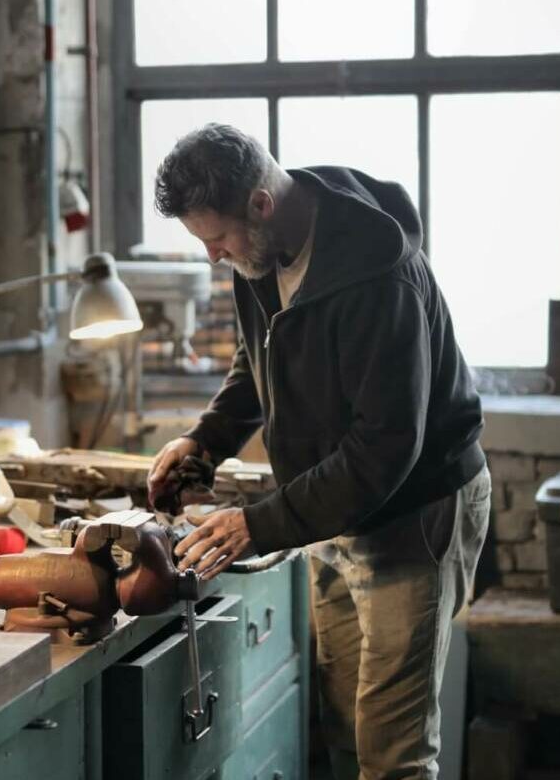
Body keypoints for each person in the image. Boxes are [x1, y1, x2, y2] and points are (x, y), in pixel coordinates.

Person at [146, 123, 490, 780]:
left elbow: (386, 445)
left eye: (215, 238)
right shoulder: (261, 252)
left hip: (412, 509)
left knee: (393, 755)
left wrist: (259, 523)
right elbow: (261, 362)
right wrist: (205, 440)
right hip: (329, 508)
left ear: (262, 203)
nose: (213, 257)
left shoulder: (375, 274)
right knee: (344, 734)